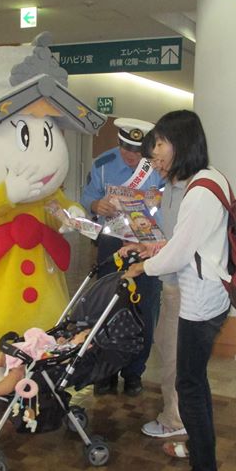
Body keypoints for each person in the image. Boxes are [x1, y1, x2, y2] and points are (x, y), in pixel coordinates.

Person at [122, 110, 230, 471]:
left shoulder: (198, 193)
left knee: (190, 385)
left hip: (199, 301)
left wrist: (143, 266)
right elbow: (188, 242)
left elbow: (181, 254)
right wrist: (154, 248)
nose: (155, 156)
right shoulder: (210, 178)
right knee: (194, 382)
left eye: (160, 145)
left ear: (182, 142)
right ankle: (198, 448)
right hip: (209, 294)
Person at [80, 117, 164, 396]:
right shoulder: (103, 164)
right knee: (107, 305)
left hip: (147, 245)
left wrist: (156, 200)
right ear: (119, 143)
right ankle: (105, 372)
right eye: (127, 149)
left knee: (145, 309)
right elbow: (87, 197)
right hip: (112, 243)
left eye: (137, 152)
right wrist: (96, 204)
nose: (131, 156)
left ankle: (134, 373)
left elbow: (170, 201)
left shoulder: (158, 167)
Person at [139, 135, 187, 439]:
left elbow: (180, 247)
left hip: (184, 287)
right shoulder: (170, 188)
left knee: (173, 356)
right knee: (165, 343)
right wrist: (144, 246)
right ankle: (177, 414)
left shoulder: (191, 191)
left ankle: (175, 420)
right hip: (171, 283)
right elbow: (169, 238)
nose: (156, 166)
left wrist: (144, 265)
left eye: (159, 159)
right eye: (152, 160)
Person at [0, 327, 90, 399]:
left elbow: (62, 359)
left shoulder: (74, 353)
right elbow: (50, 346)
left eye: (81, 334)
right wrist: (59, 343)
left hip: (38, 369)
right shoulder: (68, 345)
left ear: (87, 345)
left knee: (17, 373)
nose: (76, 334)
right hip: (32, 356)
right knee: (4, 354)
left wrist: (66, 349)